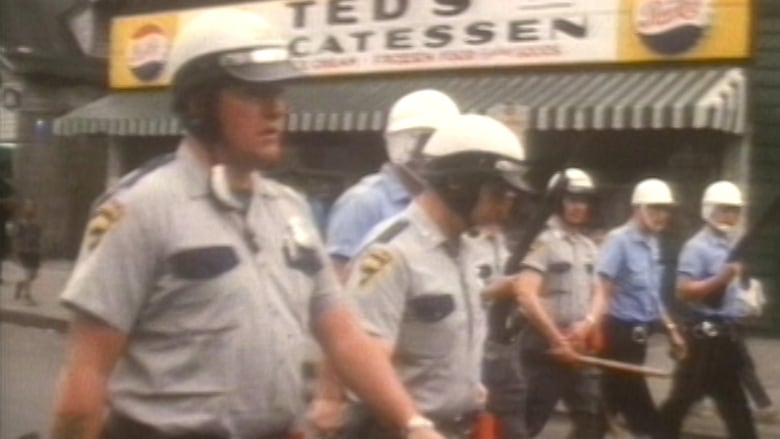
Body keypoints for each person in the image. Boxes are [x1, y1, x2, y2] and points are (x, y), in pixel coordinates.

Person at [50, 9, 447, 439]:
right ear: (200, 104)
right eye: (254, 94)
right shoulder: (140, 208)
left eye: (278, 93)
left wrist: (413, 423)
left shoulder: (289, 210)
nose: (276, 110)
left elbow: (345, 336)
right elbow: (86, 377)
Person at [330, 114, 533, 439]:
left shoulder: (467, 251)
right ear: (459, 185)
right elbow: (365, 358)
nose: (505, 208)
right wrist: (413, 424)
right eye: (498, 194)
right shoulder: (391, 253)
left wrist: (469, 390)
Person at [510, 168, 608, 438]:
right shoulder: (541, 243)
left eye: (584, 200)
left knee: (592, 420)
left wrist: (587, 325)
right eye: (571, 199)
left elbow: (599, 293)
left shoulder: (588, 246)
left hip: (579, 345)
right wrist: (556, 339)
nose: (579, 207)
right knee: (529, 422)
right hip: (545, 347)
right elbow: (526, 294)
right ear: (557, 201)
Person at [658, 181, 759, 438]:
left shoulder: (731, 244)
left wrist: (746, 302)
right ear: (710, 209)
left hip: (726, 339)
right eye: (724, 209)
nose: (730, 216)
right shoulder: (696, 247)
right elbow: (683, 291)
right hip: (702, 341)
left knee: (738, 410)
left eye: (735, 210)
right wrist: (721, 280)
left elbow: (730, 293)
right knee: (680, 403)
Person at [326, 89, 460, 280]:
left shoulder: (443, 201)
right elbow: (339, 280)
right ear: (396, 143)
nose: (423, 152)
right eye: (416, 141)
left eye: (432, 142)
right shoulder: (363, 202)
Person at [596, 178, 687, 438]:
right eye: (654, 209)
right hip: (617, 337)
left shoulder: (652, 243)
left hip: (638, 340)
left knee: (600, 414)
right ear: (637, 208)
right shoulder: (618, 240)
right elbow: (602, 288)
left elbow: (652, 295)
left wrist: (671, 330)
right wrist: (591, 326)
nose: (661, 216)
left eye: (665, 210)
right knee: (645, 418)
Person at [11, 199, 42, 305]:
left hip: (35, 251)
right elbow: (16, 237)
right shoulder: (21, 223)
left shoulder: (37, 223)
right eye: (28, 206)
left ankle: (20, 285)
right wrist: (16, 250)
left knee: (33, 274)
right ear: (24, 209)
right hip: (24, 250)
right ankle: (27, 296)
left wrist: (40, 249)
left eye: (32, 207)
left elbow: (38, 237)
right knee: (28, 273)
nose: (30, 209)